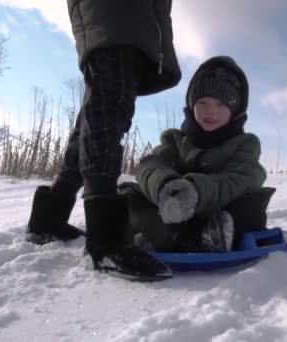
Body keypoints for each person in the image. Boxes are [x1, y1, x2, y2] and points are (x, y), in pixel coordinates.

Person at [25, 1, 181, 279]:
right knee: (108, 115)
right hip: (117, 16)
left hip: (121, 20)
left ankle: (51, 216)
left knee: (97, 113)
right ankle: (106, 241)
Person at [118, 56, 273, 254]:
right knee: (128, 194)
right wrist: (165, 186)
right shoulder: (174, 139)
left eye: (221, 104)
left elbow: (240, 179)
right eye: (203, 102)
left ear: (235, 110)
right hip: (173, 213)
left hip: (220, 212)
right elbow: (151, 164)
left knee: (251, 205)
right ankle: (162, 234)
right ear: (191, 103)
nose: (211, 111)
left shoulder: (246, 143)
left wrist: (197, 192)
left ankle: (211, 235)